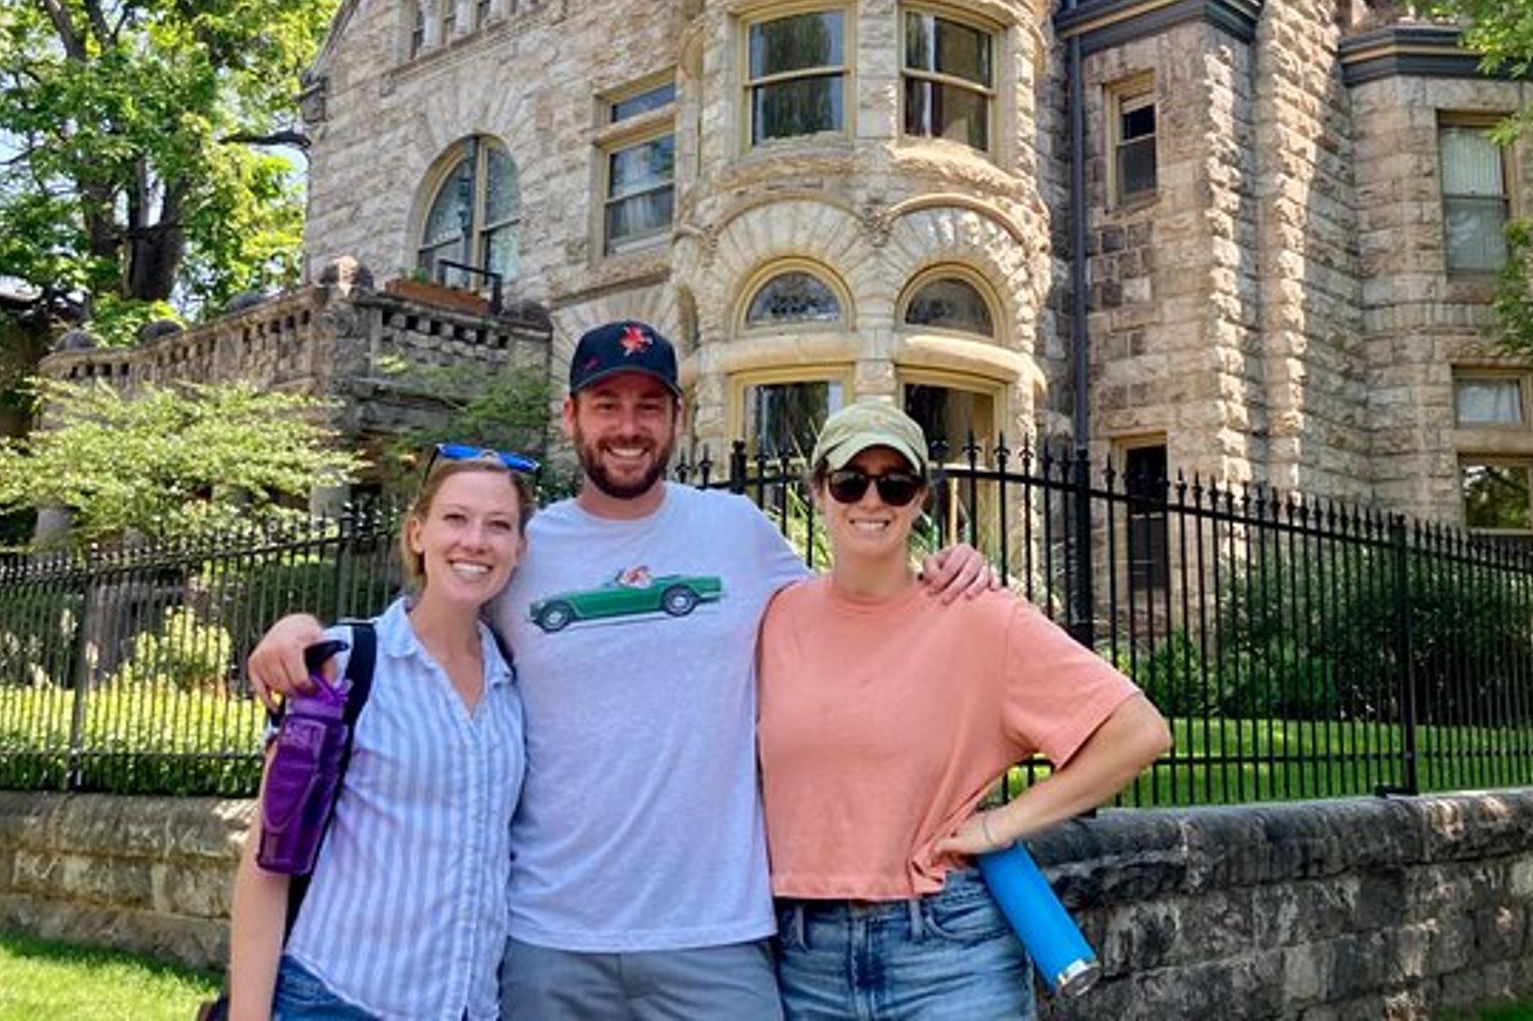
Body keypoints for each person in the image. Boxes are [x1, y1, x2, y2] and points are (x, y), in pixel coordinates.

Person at [245, 320, 989, 1020]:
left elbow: (849, 613)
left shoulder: (737, 532)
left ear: (676, 415)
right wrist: (301, 629)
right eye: (607, 404)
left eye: (648, 405)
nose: (627, 426)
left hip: (714, 931)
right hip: (548, 936)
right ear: (571, 415)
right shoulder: (523, 544)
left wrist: (939, 569)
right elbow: (430, 620)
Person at [758, 399, 1172, 1019]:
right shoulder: (775, 616)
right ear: (819, 490)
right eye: (850, 481)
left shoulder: (978, 616)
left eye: (895, 483)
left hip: (948, 949)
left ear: (921, 497)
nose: (872, 500)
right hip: (804, 953)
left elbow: (1137, 732)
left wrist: (999, 826)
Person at [227, 449, 531, 1020]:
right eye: (456, 518)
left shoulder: (515, 683)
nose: (476, 541)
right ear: (417, 533)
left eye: (499, 525)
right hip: (337, 999)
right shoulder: (344, 666)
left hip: (467, 1008)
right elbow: (267, 859)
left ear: (520, 548)